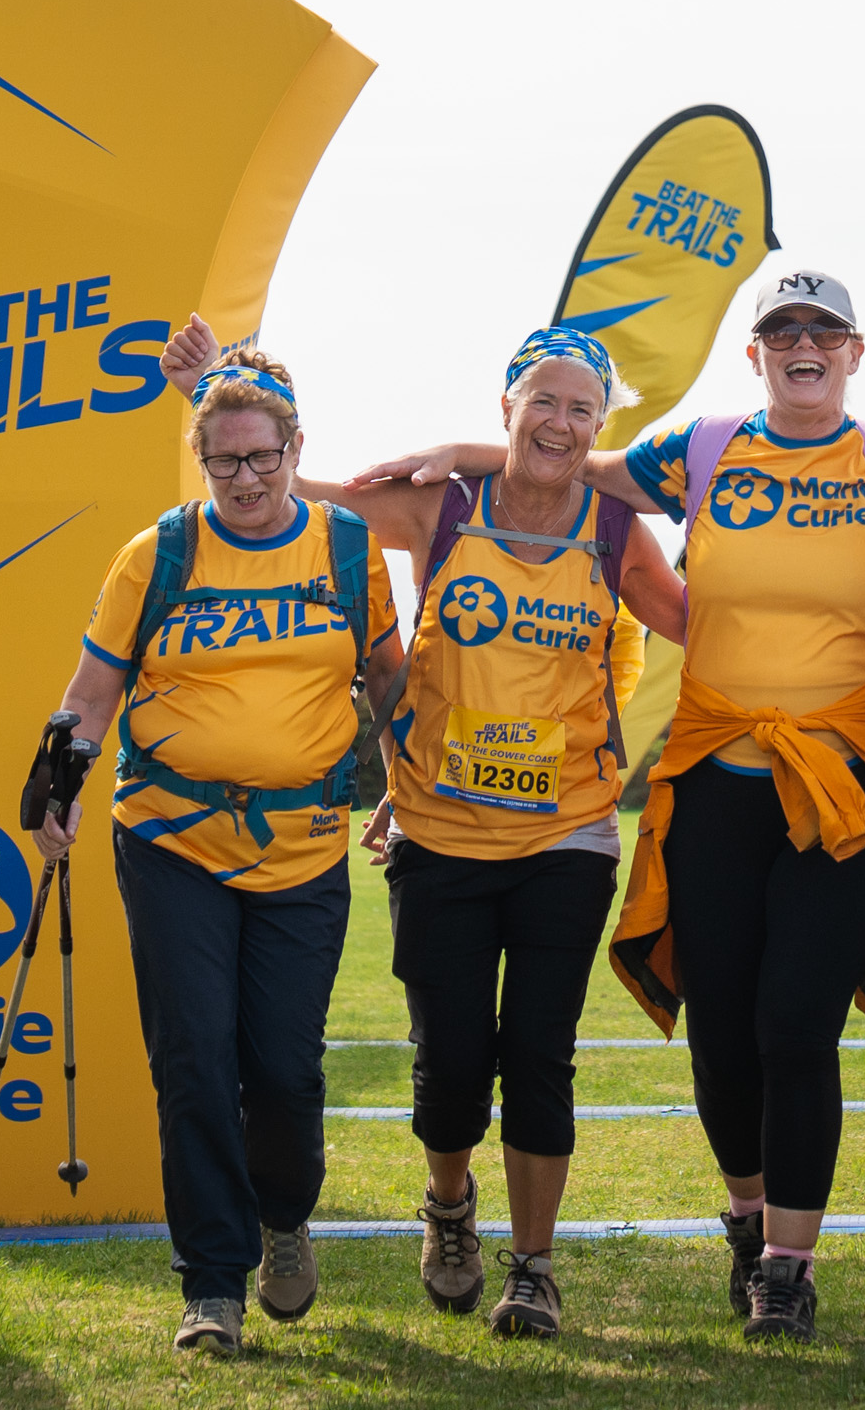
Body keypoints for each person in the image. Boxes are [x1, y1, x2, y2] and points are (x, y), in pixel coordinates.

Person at [346, 270, 865, 1344]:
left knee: (794, 1022)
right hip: (719, 781)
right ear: (756, 354)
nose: (804, 342)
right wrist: (471, 449)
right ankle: (744, 1216)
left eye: (825, 330)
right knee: (721, 1031)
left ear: (857, 352)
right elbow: (570, 460)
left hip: (847, 789)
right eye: (784, 329)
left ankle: (788, 1264)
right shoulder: (702, 447)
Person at [34, 349, 404, 1359]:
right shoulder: (155, 554)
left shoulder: (346, 549)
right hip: (168, 838)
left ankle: (284, 1215)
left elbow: (387, 679)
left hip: (303, 847)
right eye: (223, 461)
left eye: (263, 457)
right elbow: (94, 691)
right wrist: (56, 782)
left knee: (282, 1069)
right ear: (198, 457)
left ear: (295, 449)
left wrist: (405, 785)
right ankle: (212, 1282)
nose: (246, 478)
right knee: (194, 1058)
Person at [328, 326, 687, 1339]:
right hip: (437, 832)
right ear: (506, 407)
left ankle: (534, 1267)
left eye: (582, 408)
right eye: (544, 400)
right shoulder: (444, 507)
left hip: (568, 833)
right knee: (448, 1064)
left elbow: (702, 620)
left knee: (538, 1051)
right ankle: (449, 1205)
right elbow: (299, 500)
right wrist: (216, 398)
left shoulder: (616, 530)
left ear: (601, 424)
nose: (562, 422)